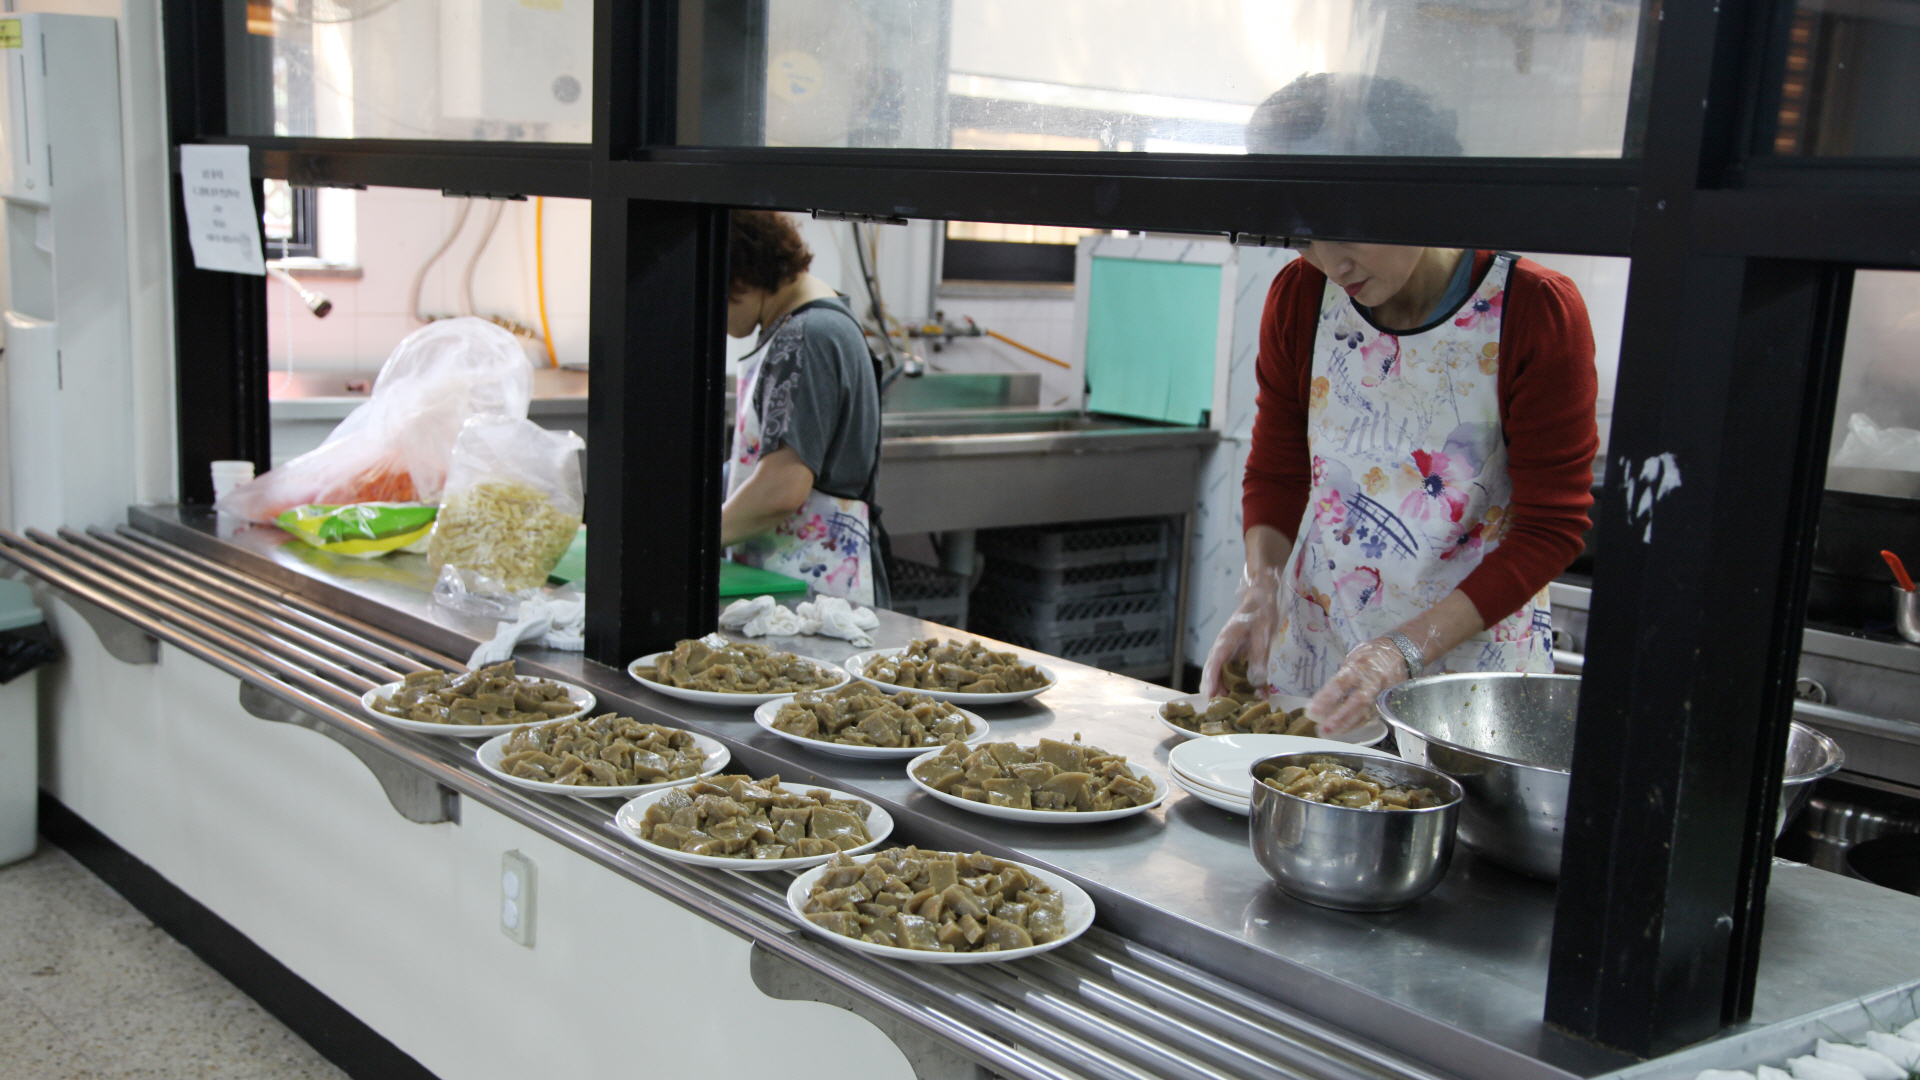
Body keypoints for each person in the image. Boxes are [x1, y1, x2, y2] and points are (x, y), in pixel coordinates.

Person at [1203, 73, 1599, 734]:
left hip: (1468, 685)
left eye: (1346, 228)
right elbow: (1277, 469)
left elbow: (1550, 529)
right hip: (1320, 661)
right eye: (1302, 237)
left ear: (1422, 189)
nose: (1331, 262)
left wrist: (1403, 650)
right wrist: (1260, 586)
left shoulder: (1533, 310)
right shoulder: (1300, 297)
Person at [723, 210, 890, 607]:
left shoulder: (807, 335)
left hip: (815, 593)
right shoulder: (806, 324)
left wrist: (691, 542)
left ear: (743, 278)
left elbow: (782, 489)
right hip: (795, 583)